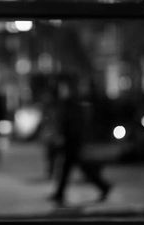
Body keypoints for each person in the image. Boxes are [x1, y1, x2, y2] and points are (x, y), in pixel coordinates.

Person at [48, 78, 112, 206]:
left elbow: (73, 124)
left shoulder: (72, 104)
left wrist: (66, 136)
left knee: (78, 167)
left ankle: (103, 186)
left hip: (73, 141)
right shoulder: (68, 103)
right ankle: (60, 192)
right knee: (70, 167)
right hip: (71, 140)